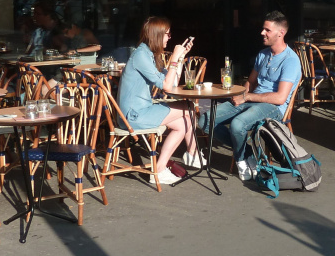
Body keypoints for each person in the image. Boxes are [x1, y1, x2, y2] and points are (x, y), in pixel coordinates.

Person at [205, 11, 301, 181]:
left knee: (237, 124)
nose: (262, 33)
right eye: (263, 29)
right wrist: (241, 95)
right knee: (205, 120)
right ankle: (248, 154)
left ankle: (241, 160)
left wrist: (247, 97)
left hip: (273, 108)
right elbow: (251, 82)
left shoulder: (290, 60)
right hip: (252, 100)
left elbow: (280, 98)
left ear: (281, 33)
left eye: (267, 30)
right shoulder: (263, 54)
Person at [118, 16, 203, 186]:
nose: (169, 38)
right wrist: (173, 59)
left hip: (141, 110)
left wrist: (179, 58)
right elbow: (166, 87)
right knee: (188, 107)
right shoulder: (141, 56)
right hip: (133, 116)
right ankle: (192, 153)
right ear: (157, 35)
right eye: (168, 34)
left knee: (182, 122)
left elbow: (172, 82)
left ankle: (161, 169)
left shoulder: (149, 54)